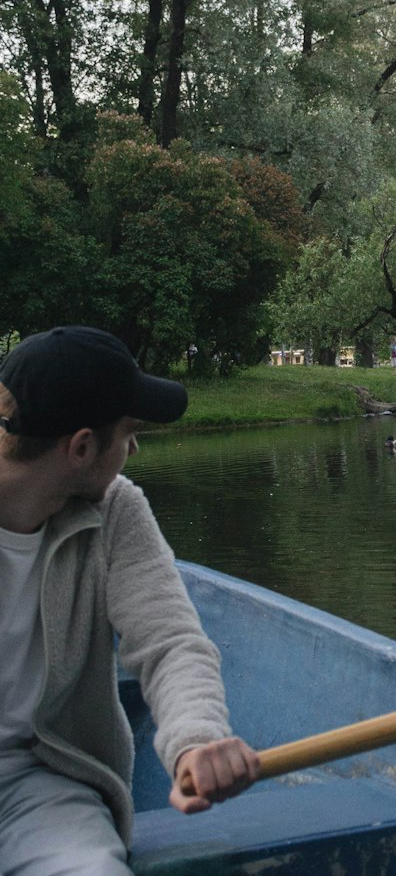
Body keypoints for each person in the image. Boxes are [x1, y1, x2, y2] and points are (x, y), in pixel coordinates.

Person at [0, 326, 260, 875]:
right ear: (81, 447)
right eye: (129, 433)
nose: (134, 449)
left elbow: (170, 643)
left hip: (36, 782)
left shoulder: (117, 510)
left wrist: (196, 741)